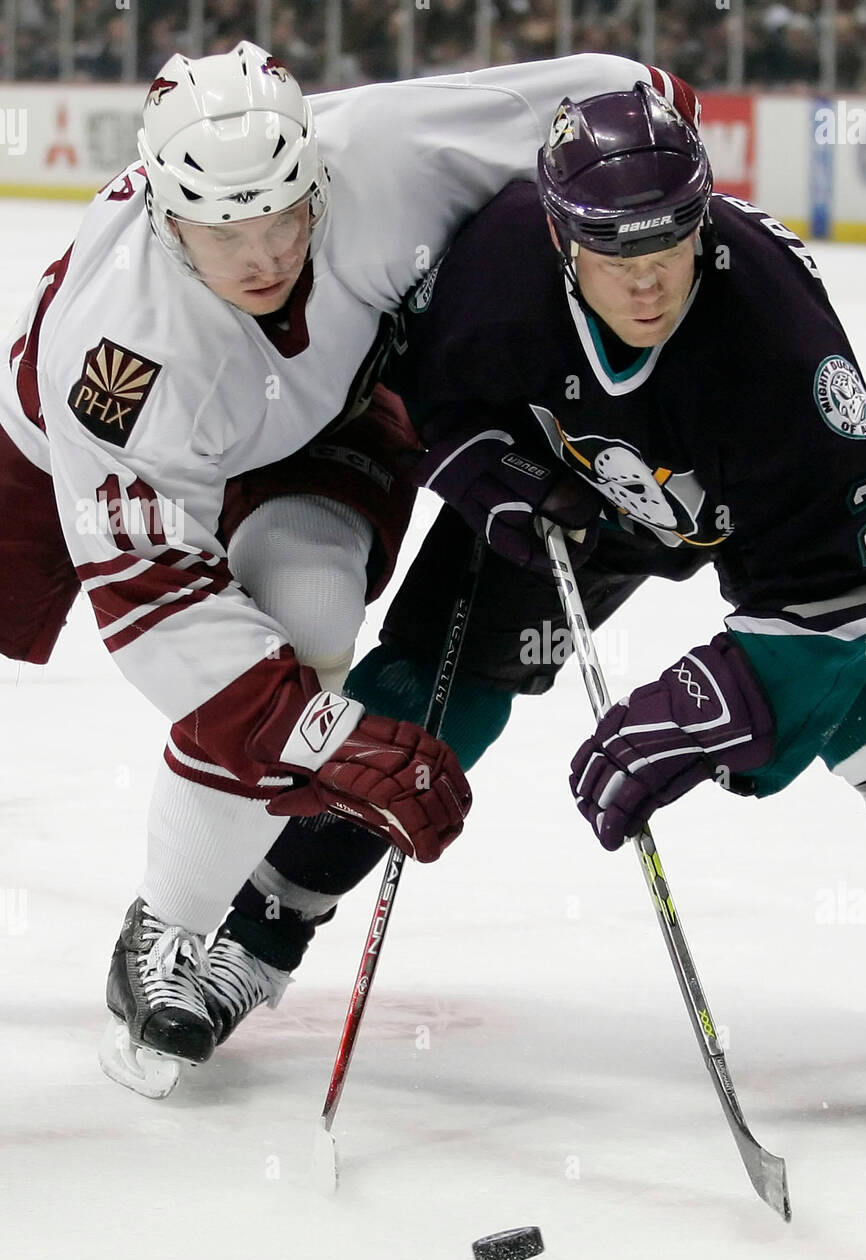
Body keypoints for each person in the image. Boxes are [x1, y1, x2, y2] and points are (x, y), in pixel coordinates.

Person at [216, 84, 866, 1116]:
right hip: (574, 493)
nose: (647, 283)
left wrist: (722, 712)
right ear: (557, 234)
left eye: (671, 247)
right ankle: (252, 940)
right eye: (616, 255)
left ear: (704, 220)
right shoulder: (495, 269)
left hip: (774, 521)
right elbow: (433, 391)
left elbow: (842, 591)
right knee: (423, 690)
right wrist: (488, 475)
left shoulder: (778, 345)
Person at [0, 43, 699, 1097]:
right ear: (162, 217)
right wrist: (332, 743)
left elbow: (631, 97)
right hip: (66, 445)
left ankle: (168, 928)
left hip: (332, 406)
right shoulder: (119, 363)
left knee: (309, 614)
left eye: (288, 216)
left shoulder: (381, 150)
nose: (267, 255)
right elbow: (166, 611)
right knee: (254, 695)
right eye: (225, 232)